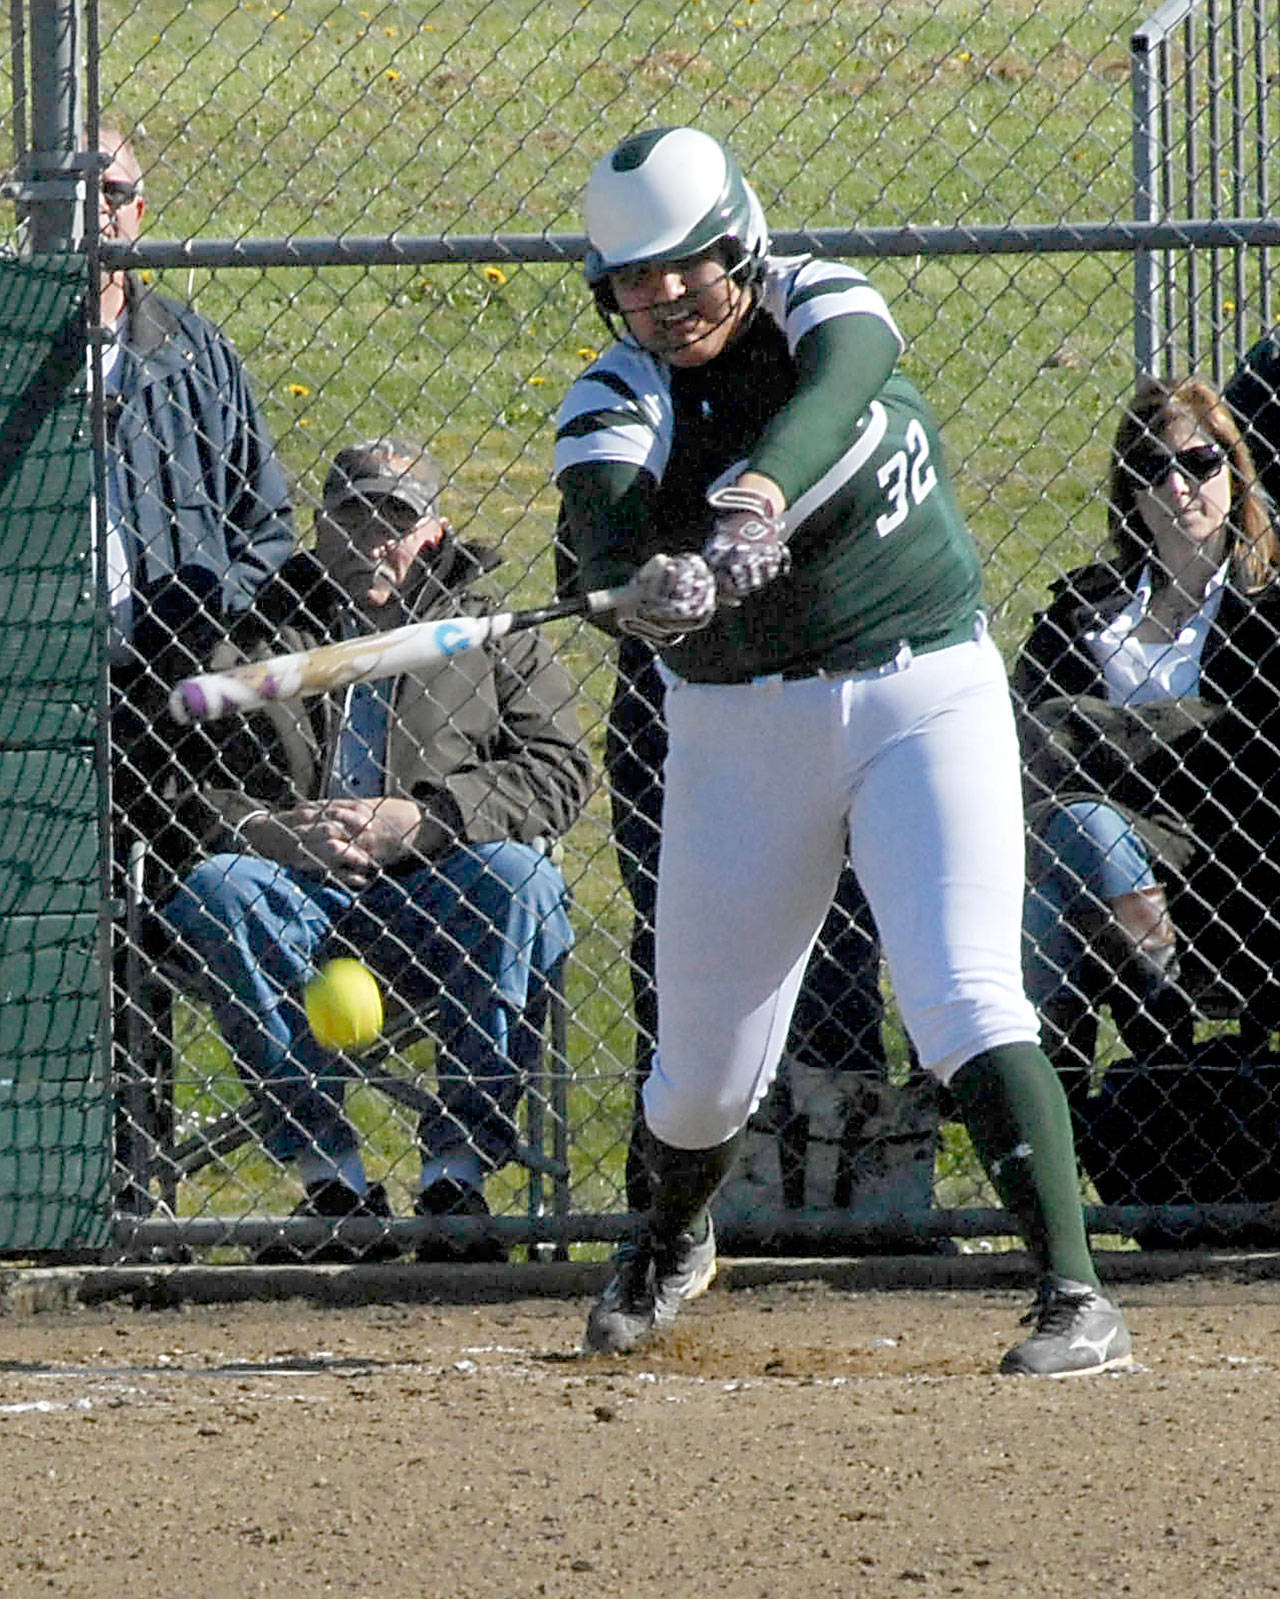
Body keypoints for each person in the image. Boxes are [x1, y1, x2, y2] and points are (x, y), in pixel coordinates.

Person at [553, 124, 1131, 1374]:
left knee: (960, 990)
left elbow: (837, 391)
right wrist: (640, 583)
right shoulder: (613, 390)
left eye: (687, 271)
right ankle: (667, 1239)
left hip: (919, 689)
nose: (661, 302)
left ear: (740, 244)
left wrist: (752, 498)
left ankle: (1072, 1294)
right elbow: (596, 524)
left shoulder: (822, 299)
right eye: (633, 283)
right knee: (703, 1077)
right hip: (738, 724)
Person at [157, 438, 592, 1258]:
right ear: (318, 529)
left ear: (434, 533)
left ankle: (454, 1180)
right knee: (218, 887)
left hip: (437, 884)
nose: (371, 540)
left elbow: (562, 768)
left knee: (520, 875)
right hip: (293, 892)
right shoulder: (255, 632)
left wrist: (426, 819)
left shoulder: (490, 634)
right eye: (351, 516)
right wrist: (265, 828)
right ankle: (334, 1182)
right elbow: (167, 781)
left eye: (395, 520)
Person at [562, 618, 936, 1233]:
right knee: (683, 987)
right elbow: (638, 772)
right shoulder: (665, 612)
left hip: (833, 683)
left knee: (837, 965)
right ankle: (675, 1221)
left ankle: (841, 1210)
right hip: (689, 663)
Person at [1011, 376, 1280, 1223]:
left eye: (1201, 462)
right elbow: (1019, 741)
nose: (1180, 486)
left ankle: (1038, 1111)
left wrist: (1085, 733)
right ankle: (1069, 1090)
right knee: (1065, 848)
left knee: (1077, 811)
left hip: (1223, 867)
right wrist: (1114, 739)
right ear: (1131, 488)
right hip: (1087, 874)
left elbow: (1243, 750)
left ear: (1235, 473)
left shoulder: (1267, 609)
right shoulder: (1081, 612)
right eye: (1155, 467)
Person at [93, 124, 295, 887]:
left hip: (172, 689)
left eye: (112, 193)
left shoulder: (191, 353)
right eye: (73, 195)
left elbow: (268, 524)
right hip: (29, 684)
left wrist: (204, 618)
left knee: (169, 912)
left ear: (140, 211)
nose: (95, 212)